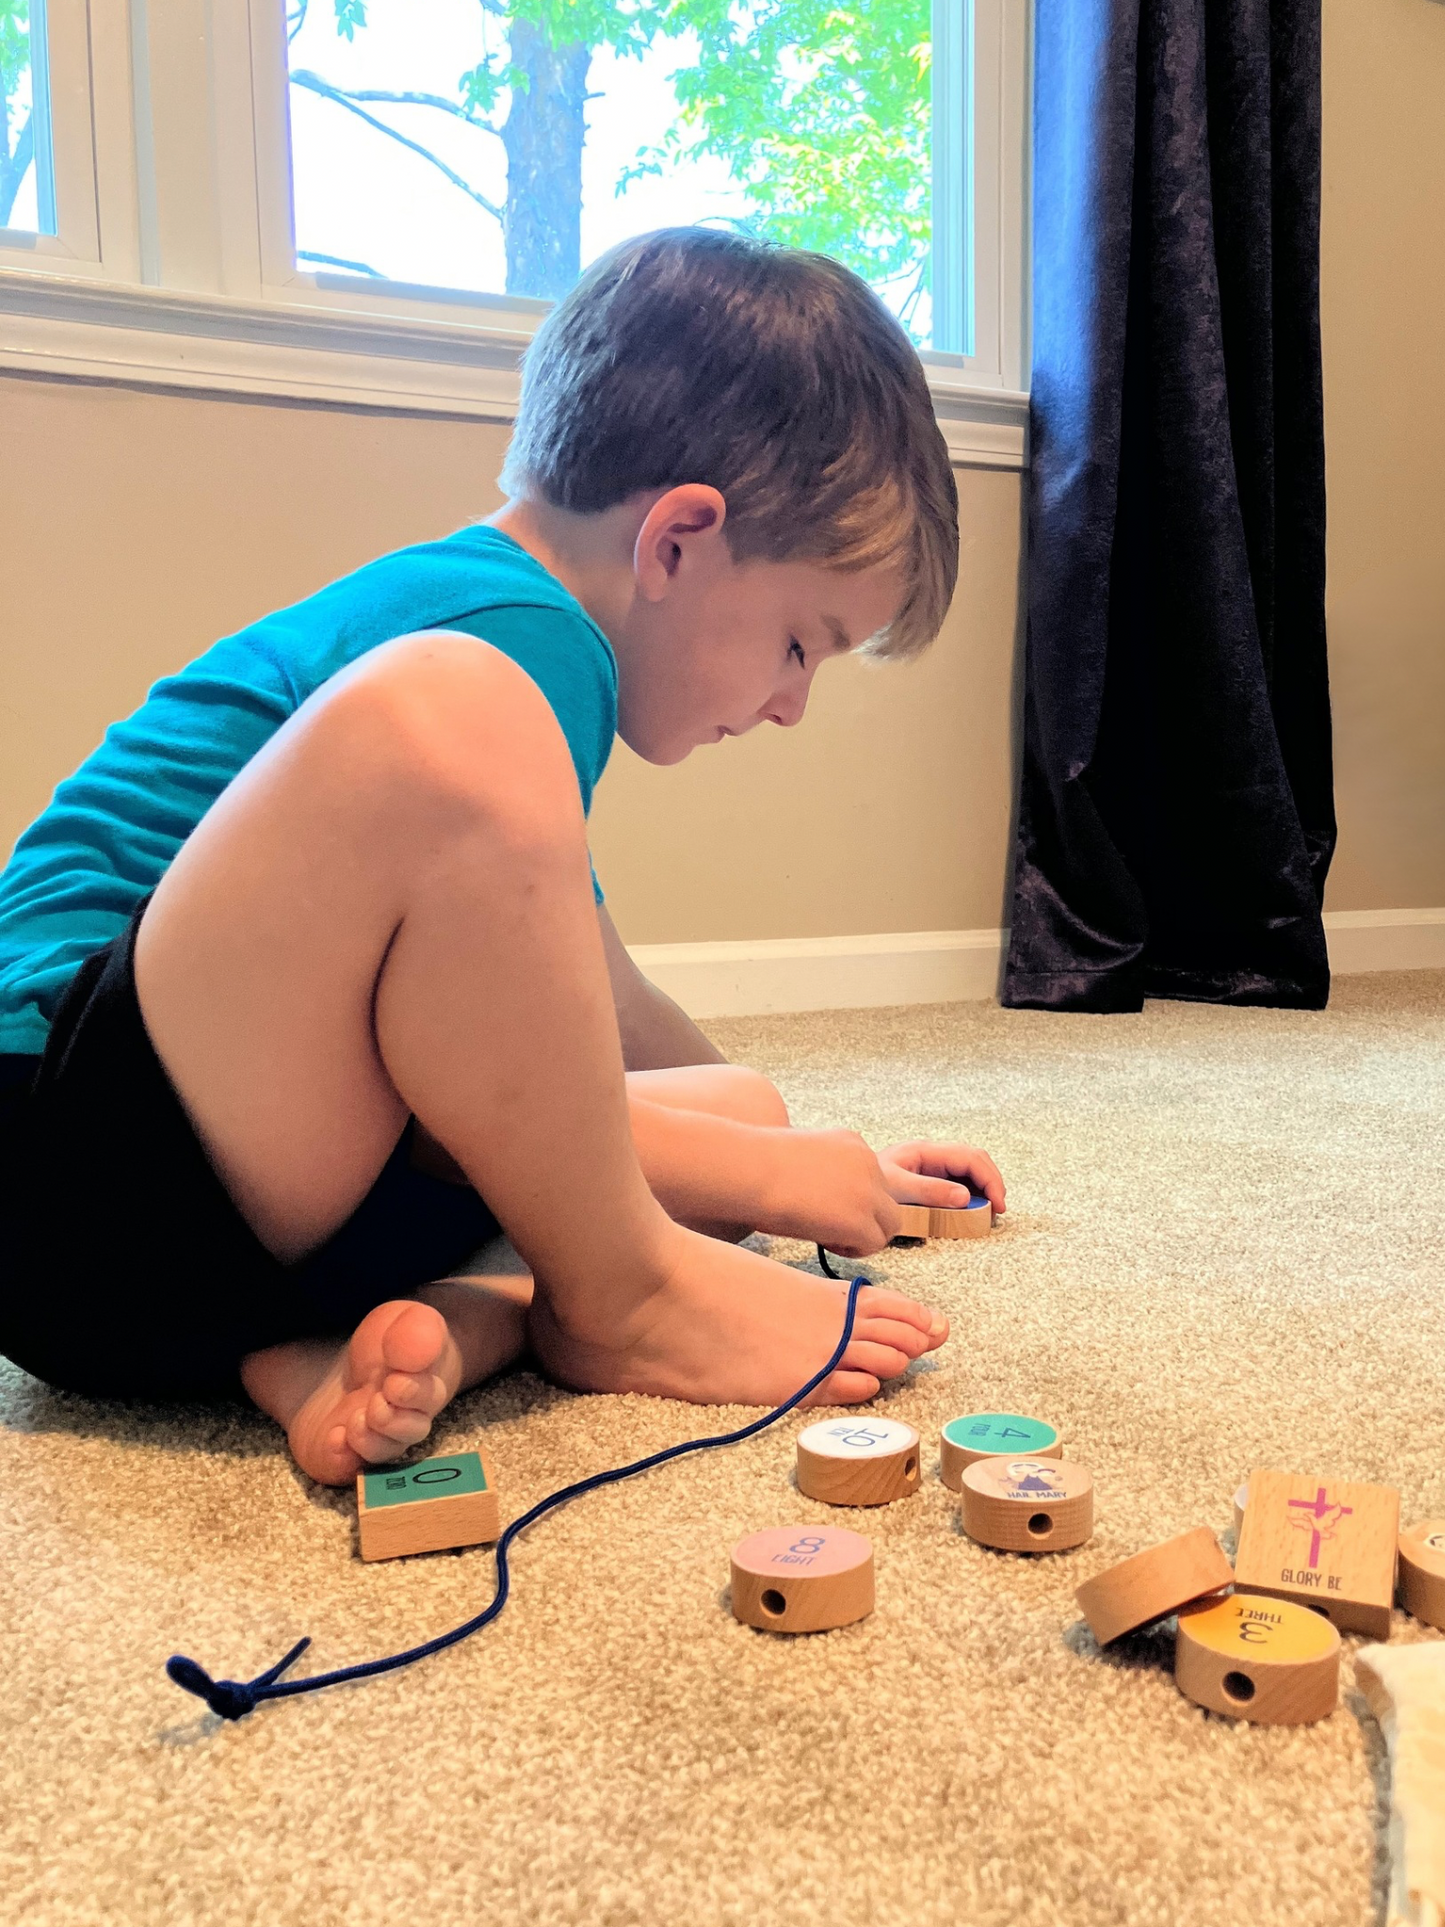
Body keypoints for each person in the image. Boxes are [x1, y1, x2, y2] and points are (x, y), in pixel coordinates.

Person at [0, 228, 1004, 1487]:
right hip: (66, 1160)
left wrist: (823, 1157)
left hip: (208, 1247)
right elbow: (474, 1089)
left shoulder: (507, 735)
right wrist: (749, 1181)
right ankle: (623, 1291)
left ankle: (366, 1342)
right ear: (677, 541)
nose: (792, 704)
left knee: (738, 1104)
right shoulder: (499, 648)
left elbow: (600, 1023)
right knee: (454, 710)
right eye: (802, 644)